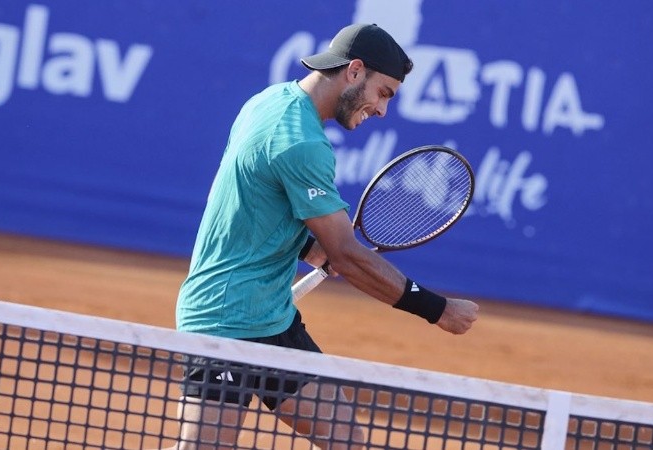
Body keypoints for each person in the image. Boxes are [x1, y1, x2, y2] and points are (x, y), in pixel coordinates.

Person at [164, 23, 479, 450]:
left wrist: (315, 250)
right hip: (223, 323)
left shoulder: (271, 100)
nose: (382, 110)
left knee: (346, 441)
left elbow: (261, 209)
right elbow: (348, 256)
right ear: (354, 71)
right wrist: (437, 309)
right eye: (383, 93)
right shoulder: (301, 143)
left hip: (273, 320)